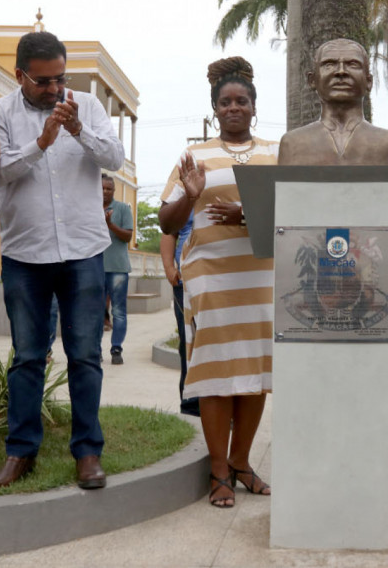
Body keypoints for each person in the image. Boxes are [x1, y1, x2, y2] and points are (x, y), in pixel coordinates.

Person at [278, 38, 388, 463]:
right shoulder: (293, 145)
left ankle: (371, 454)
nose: (341, 71)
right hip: (316, 283)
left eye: (352, 64)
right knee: (318, 374)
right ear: (312, 79)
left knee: (386, 372)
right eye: (330, 64)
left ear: (368, 79)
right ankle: (321, 454)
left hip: (379, 279)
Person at [0, 30, 124, 490]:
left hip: (84, 250)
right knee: (27, 357)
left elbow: (115, 159)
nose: (54, 89)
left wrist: (78, 130)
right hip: (25, 254)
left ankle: (87, 452)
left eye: (60, 79)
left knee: (85, 355)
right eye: (43, 81)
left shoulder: (87, 105)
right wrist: (42, 142)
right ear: (20, 75)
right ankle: (21, 451)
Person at [158, 57, 276, 508]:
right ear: (215, 109)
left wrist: (245, 214)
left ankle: (242, 462)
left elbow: (296, 207)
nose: (234, 108)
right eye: (225, 102)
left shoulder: (275, 153)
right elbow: (167, 223)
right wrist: (189, 195)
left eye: (241, 101)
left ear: (254, 107)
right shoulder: (195, 157)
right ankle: (219, 470)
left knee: (255, 372)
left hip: (261, 277)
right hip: (209, 278)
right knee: (215, 372)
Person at [160, 212, 200, 416]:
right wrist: (169, 267)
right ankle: (191, 406)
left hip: (223, 284)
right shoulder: (181, 197)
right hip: (185, 284)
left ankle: (223, 408)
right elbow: (169, 232)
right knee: (188, 344)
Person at [101, 175, 133, 365]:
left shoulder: (122, 209)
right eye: (102, 188)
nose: (105, 192)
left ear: (114, 190)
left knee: (119, 311)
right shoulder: (90, 208)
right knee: (95, 312)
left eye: (109, 189)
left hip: (118, 268)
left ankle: (116, 349)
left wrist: (110, 225)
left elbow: (128, 237)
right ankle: (95, 350)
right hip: (94, 268)